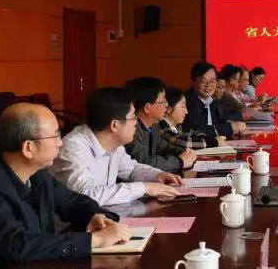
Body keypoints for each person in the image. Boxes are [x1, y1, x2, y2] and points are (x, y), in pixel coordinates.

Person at [0, 103, 132, 265]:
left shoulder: (36, 172)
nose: (60, 142)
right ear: (28, 148)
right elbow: (18, 245)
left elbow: (72, 201)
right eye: (55, 136)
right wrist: (95, 240)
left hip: (40, 267)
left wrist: (94, 216)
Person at [52, 87, 185, 207]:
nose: (136, 123)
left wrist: (157, 175)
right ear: (114, 125)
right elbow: (87, 195)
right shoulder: (72, 148)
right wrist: (144, 188)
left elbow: (131, 169)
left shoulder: (115, 144)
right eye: (133, 118)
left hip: (102, 216)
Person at [125, 76, 196, 172]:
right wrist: (180, 162)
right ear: (147, 108)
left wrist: (185, 152)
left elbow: (165, 148)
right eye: (163, 101)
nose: (166, 105)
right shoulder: (131, 130)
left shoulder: (153, 126)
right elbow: (144, 162)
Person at [183, 62, 245, 141]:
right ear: (193, 82)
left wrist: (231, 124)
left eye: (212, 81)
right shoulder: (187, 102)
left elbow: (219, 122)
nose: (208, 85)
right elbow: (195, 131)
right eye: (203, 80)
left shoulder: (212, 102)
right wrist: (230, 127)